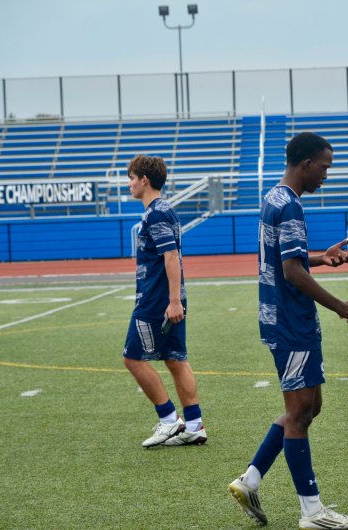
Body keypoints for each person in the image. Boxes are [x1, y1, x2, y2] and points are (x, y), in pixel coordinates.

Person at [227, 132, 348, 530]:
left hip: (281, 319)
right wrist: (342, 308)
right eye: (324, 167)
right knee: (299, 414)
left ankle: (250, 480)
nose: (326, 175)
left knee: (307, 408)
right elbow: (292, 273)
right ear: (306, 164)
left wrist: (323, 257)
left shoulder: (275, 198)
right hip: (291, 323)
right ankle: (312, 512)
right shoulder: (289, 206)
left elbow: (289, 259)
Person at [122, 154, 206, 447]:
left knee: (132, 358)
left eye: (132, 178)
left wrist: (172, 301)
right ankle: (194, 425)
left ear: (144, 180)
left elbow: (171, 257)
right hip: (167, 298)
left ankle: (169, 420)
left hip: (157, 300)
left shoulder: (156, 213)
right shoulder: (163, 209)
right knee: (175, 359)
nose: (129, 183)